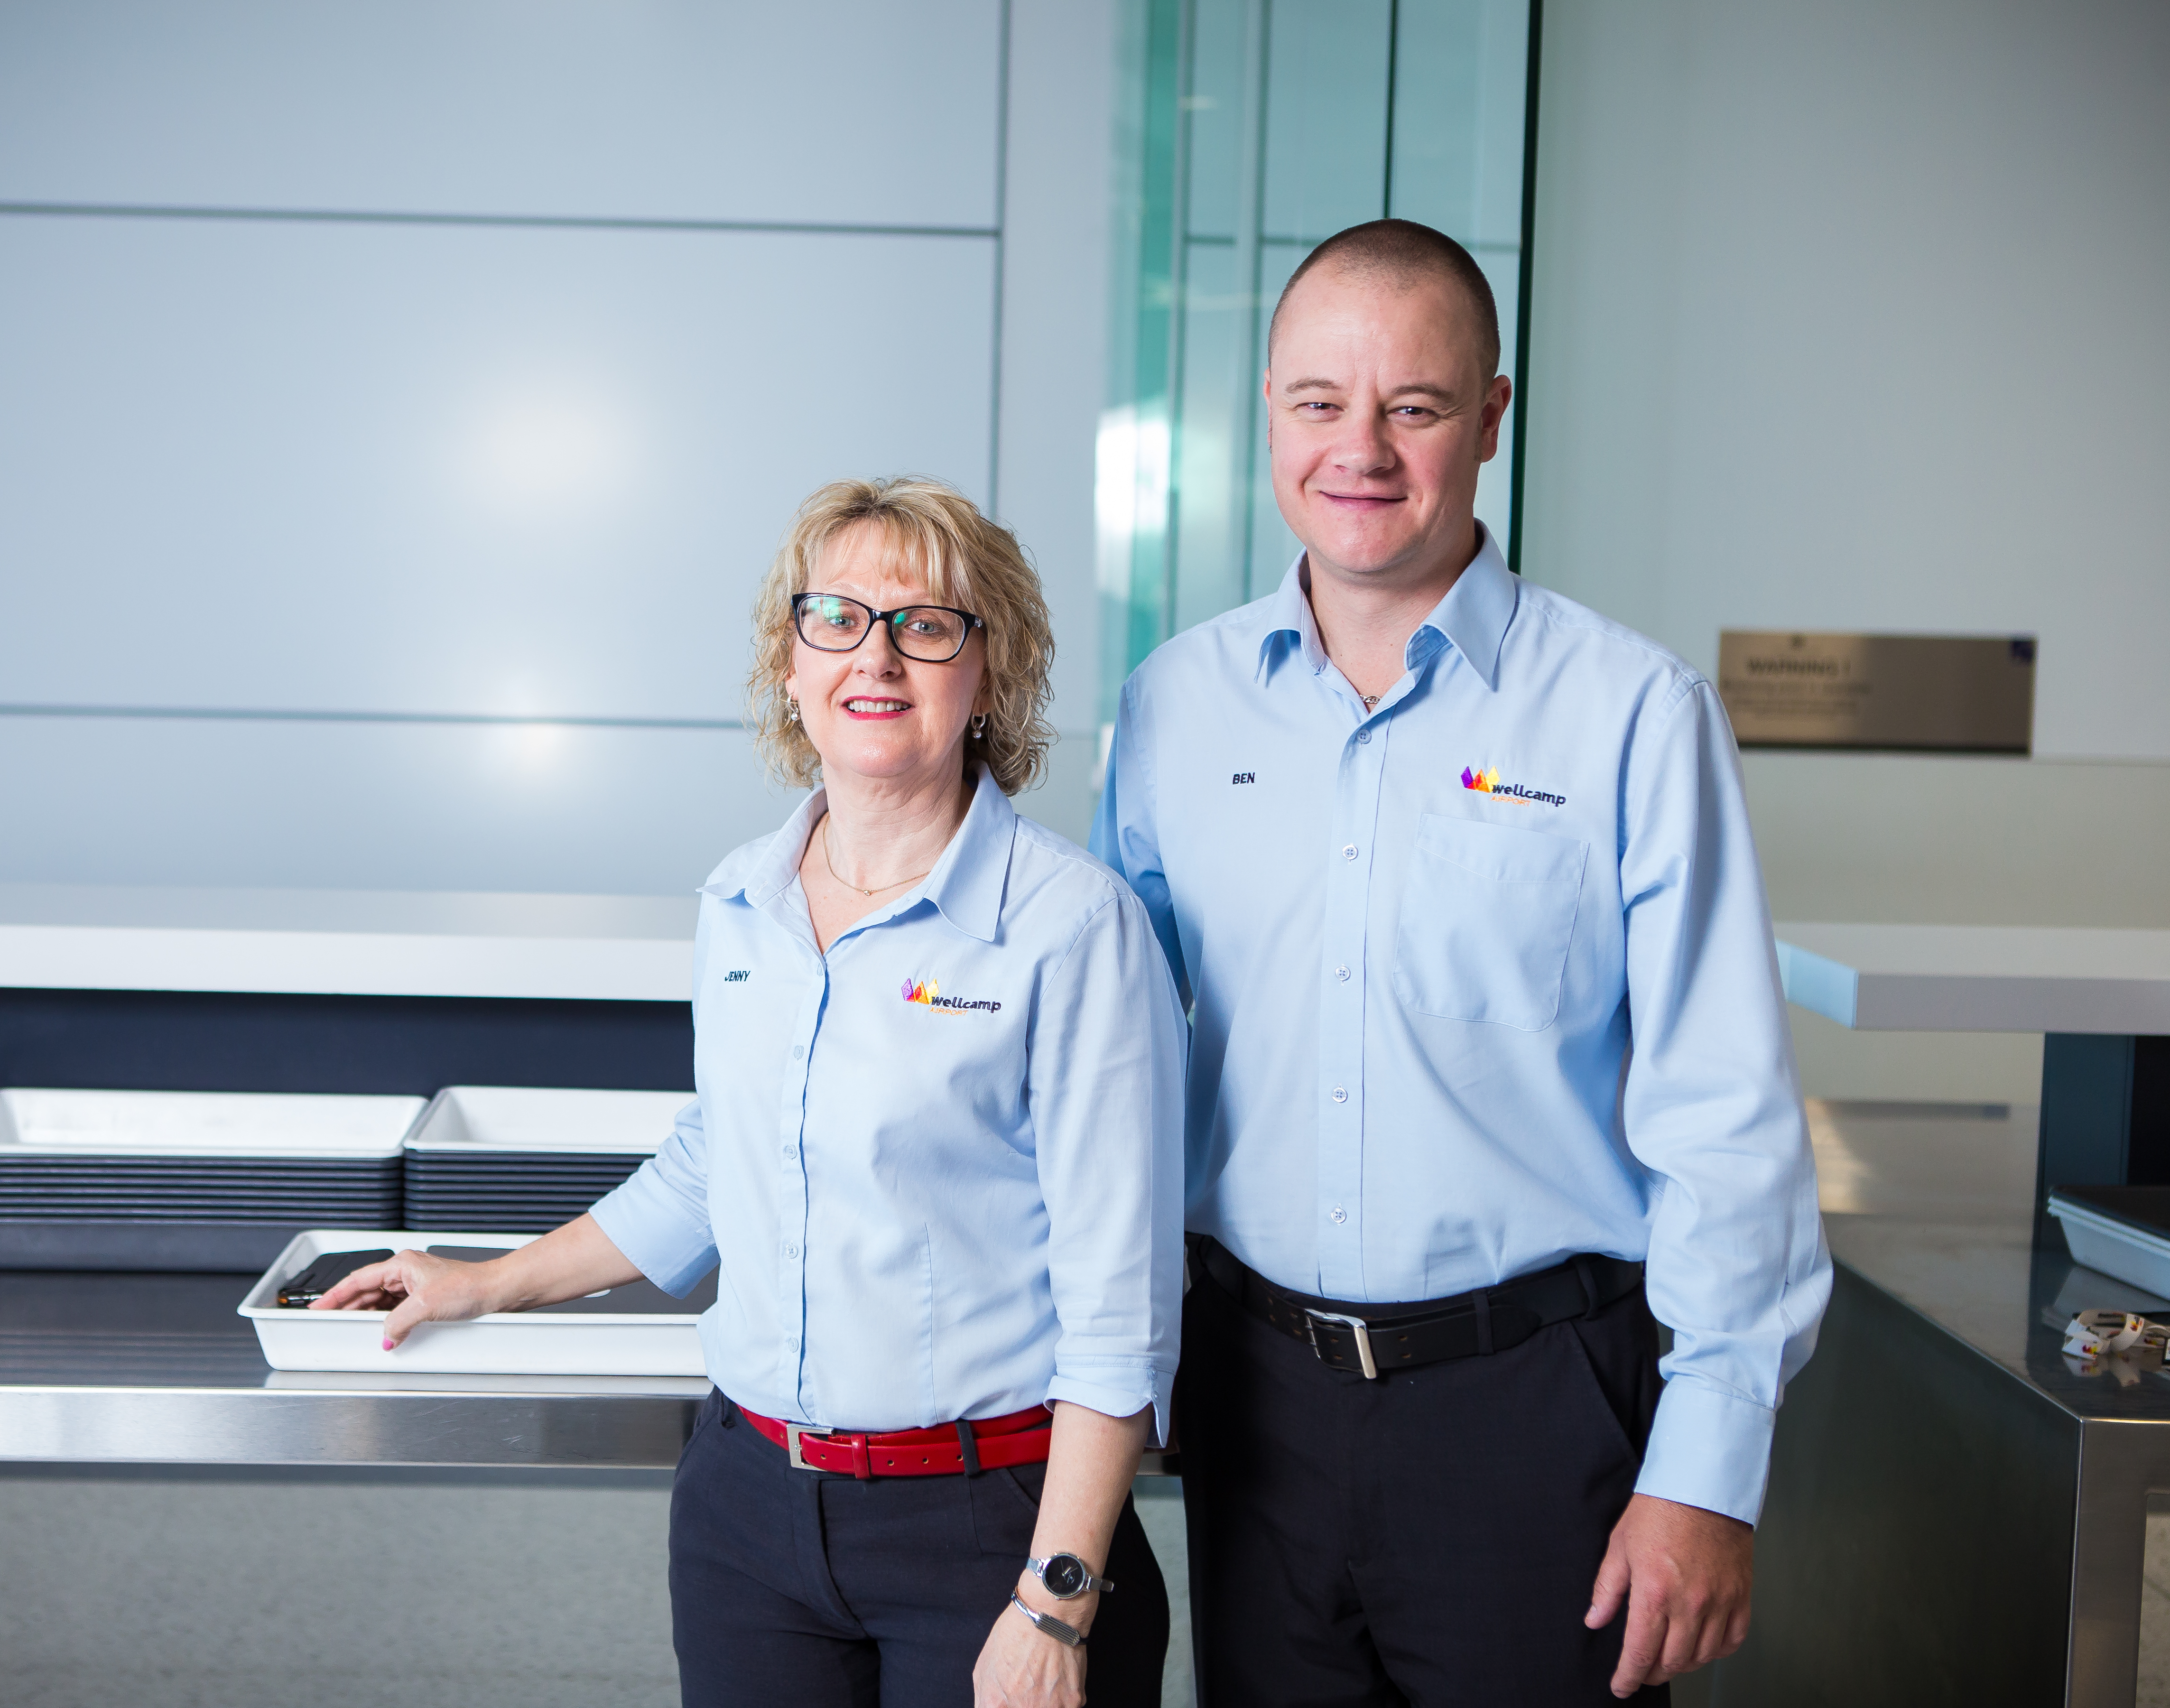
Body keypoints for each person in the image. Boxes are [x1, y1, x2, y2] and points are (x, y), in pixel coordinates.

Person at [1091, 219, 1833, 1705]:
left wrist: (1706, 1471)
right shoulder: (1175, 707)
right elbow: (1115, 1072)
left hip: (1537, 1411)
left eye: (1414, 406)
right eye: (1320, 402)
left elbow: (1726, 1112)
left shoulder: (1633, 715)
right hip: (1255, 1405)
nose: (1360, 449)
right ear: (1270, 411)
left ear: (1491, 417)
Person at [318, 475, 1187, 1708]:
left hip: (992, 1524)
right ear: (791, 663)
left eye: (926, 623)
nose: (875, 655)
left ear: (991, 675)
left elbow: (1120, 1306)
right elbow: (713, 1164)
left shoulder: (1073, 927)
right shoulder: (743, 901)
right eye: (837, 617)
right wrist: (485, 1280)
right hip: (749, 1513)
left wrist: (1056, 1597)